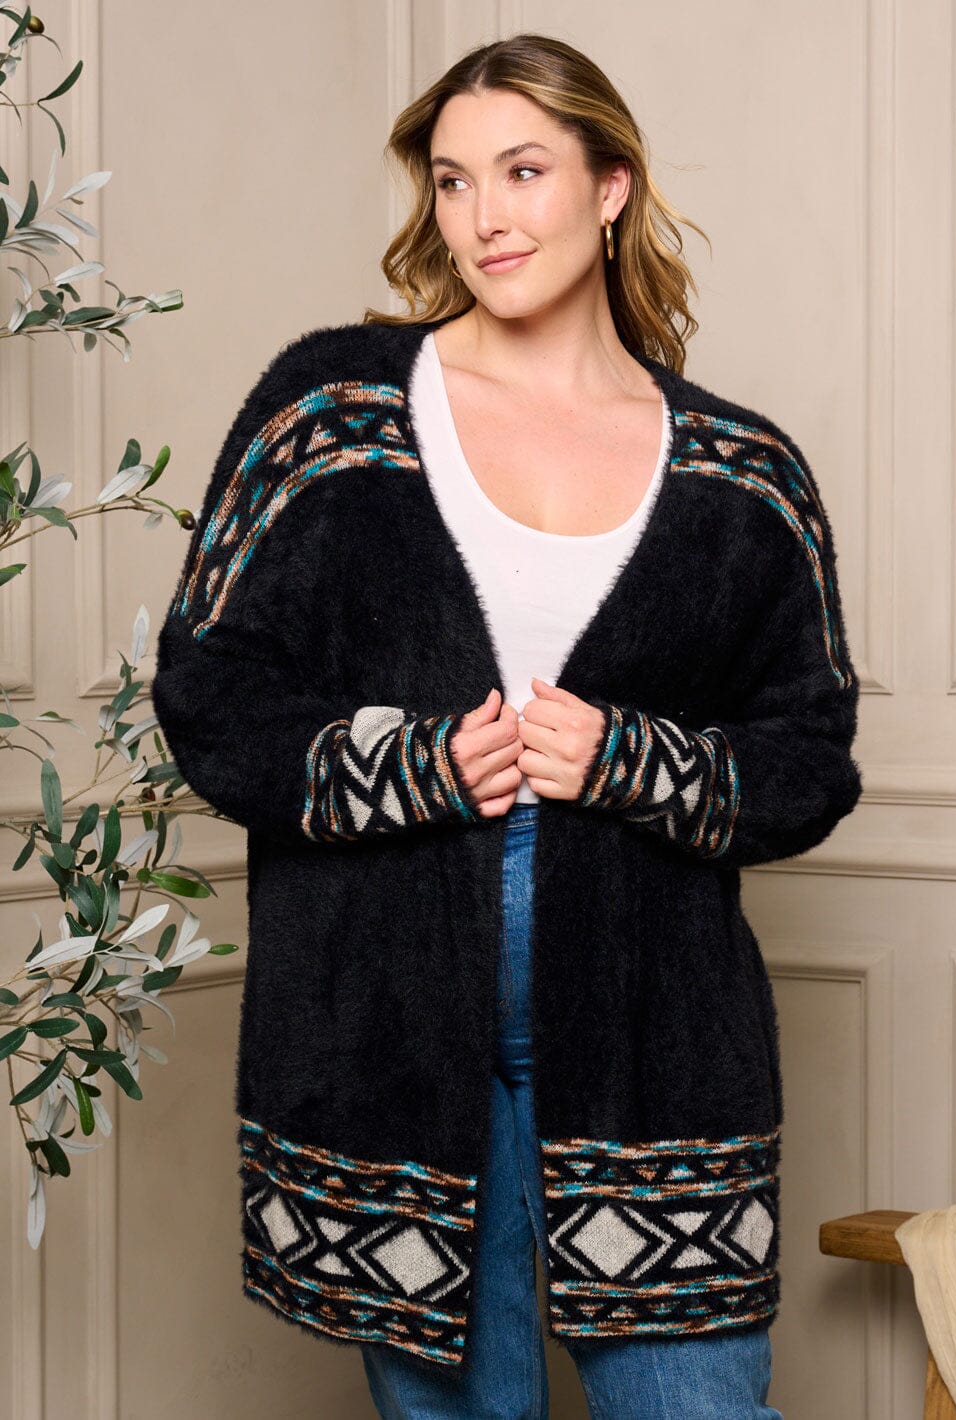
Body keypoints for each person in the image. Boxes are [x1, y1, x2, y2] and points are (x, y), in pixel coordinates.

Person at [151, 31, 862, 1420]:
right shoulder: (328, 412)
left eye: (524, 171)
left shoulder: (744, 471)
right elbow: (208, 687)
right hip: (386, 1005)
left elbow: (808, 757)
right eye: (453, 179)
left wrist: (634, 760)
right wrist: (405, 766)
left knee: (698, 1404)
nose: (483, 216)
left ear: (610, 186)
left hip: (652, 1014)